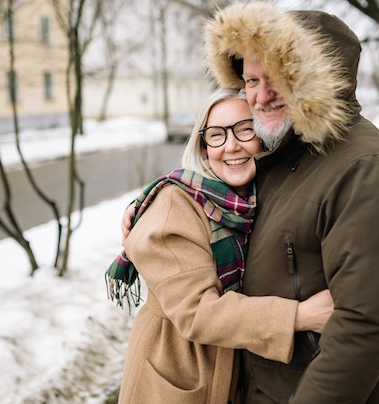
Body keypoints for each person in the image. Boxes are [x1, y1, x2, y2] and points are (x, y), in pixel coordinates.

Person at [201, 1, 379, 403]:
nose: (261, 96)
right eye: (250, 81)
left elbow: (363, 329)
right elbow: (216, 193)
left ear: (318, 79)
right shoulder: (278, 153)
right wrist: (156, 205)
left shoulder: (366, 170)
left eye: (277, 78)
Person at [106, 88, 333, 404]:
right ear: (203, 148)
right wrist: (300, 316)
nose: (231, 145)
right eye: (216, 135)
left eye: (244, 129)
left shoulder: (251, 200)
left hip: (232, 371)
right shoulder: (174, 207)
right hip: (178, 372)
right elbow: (197, 312)